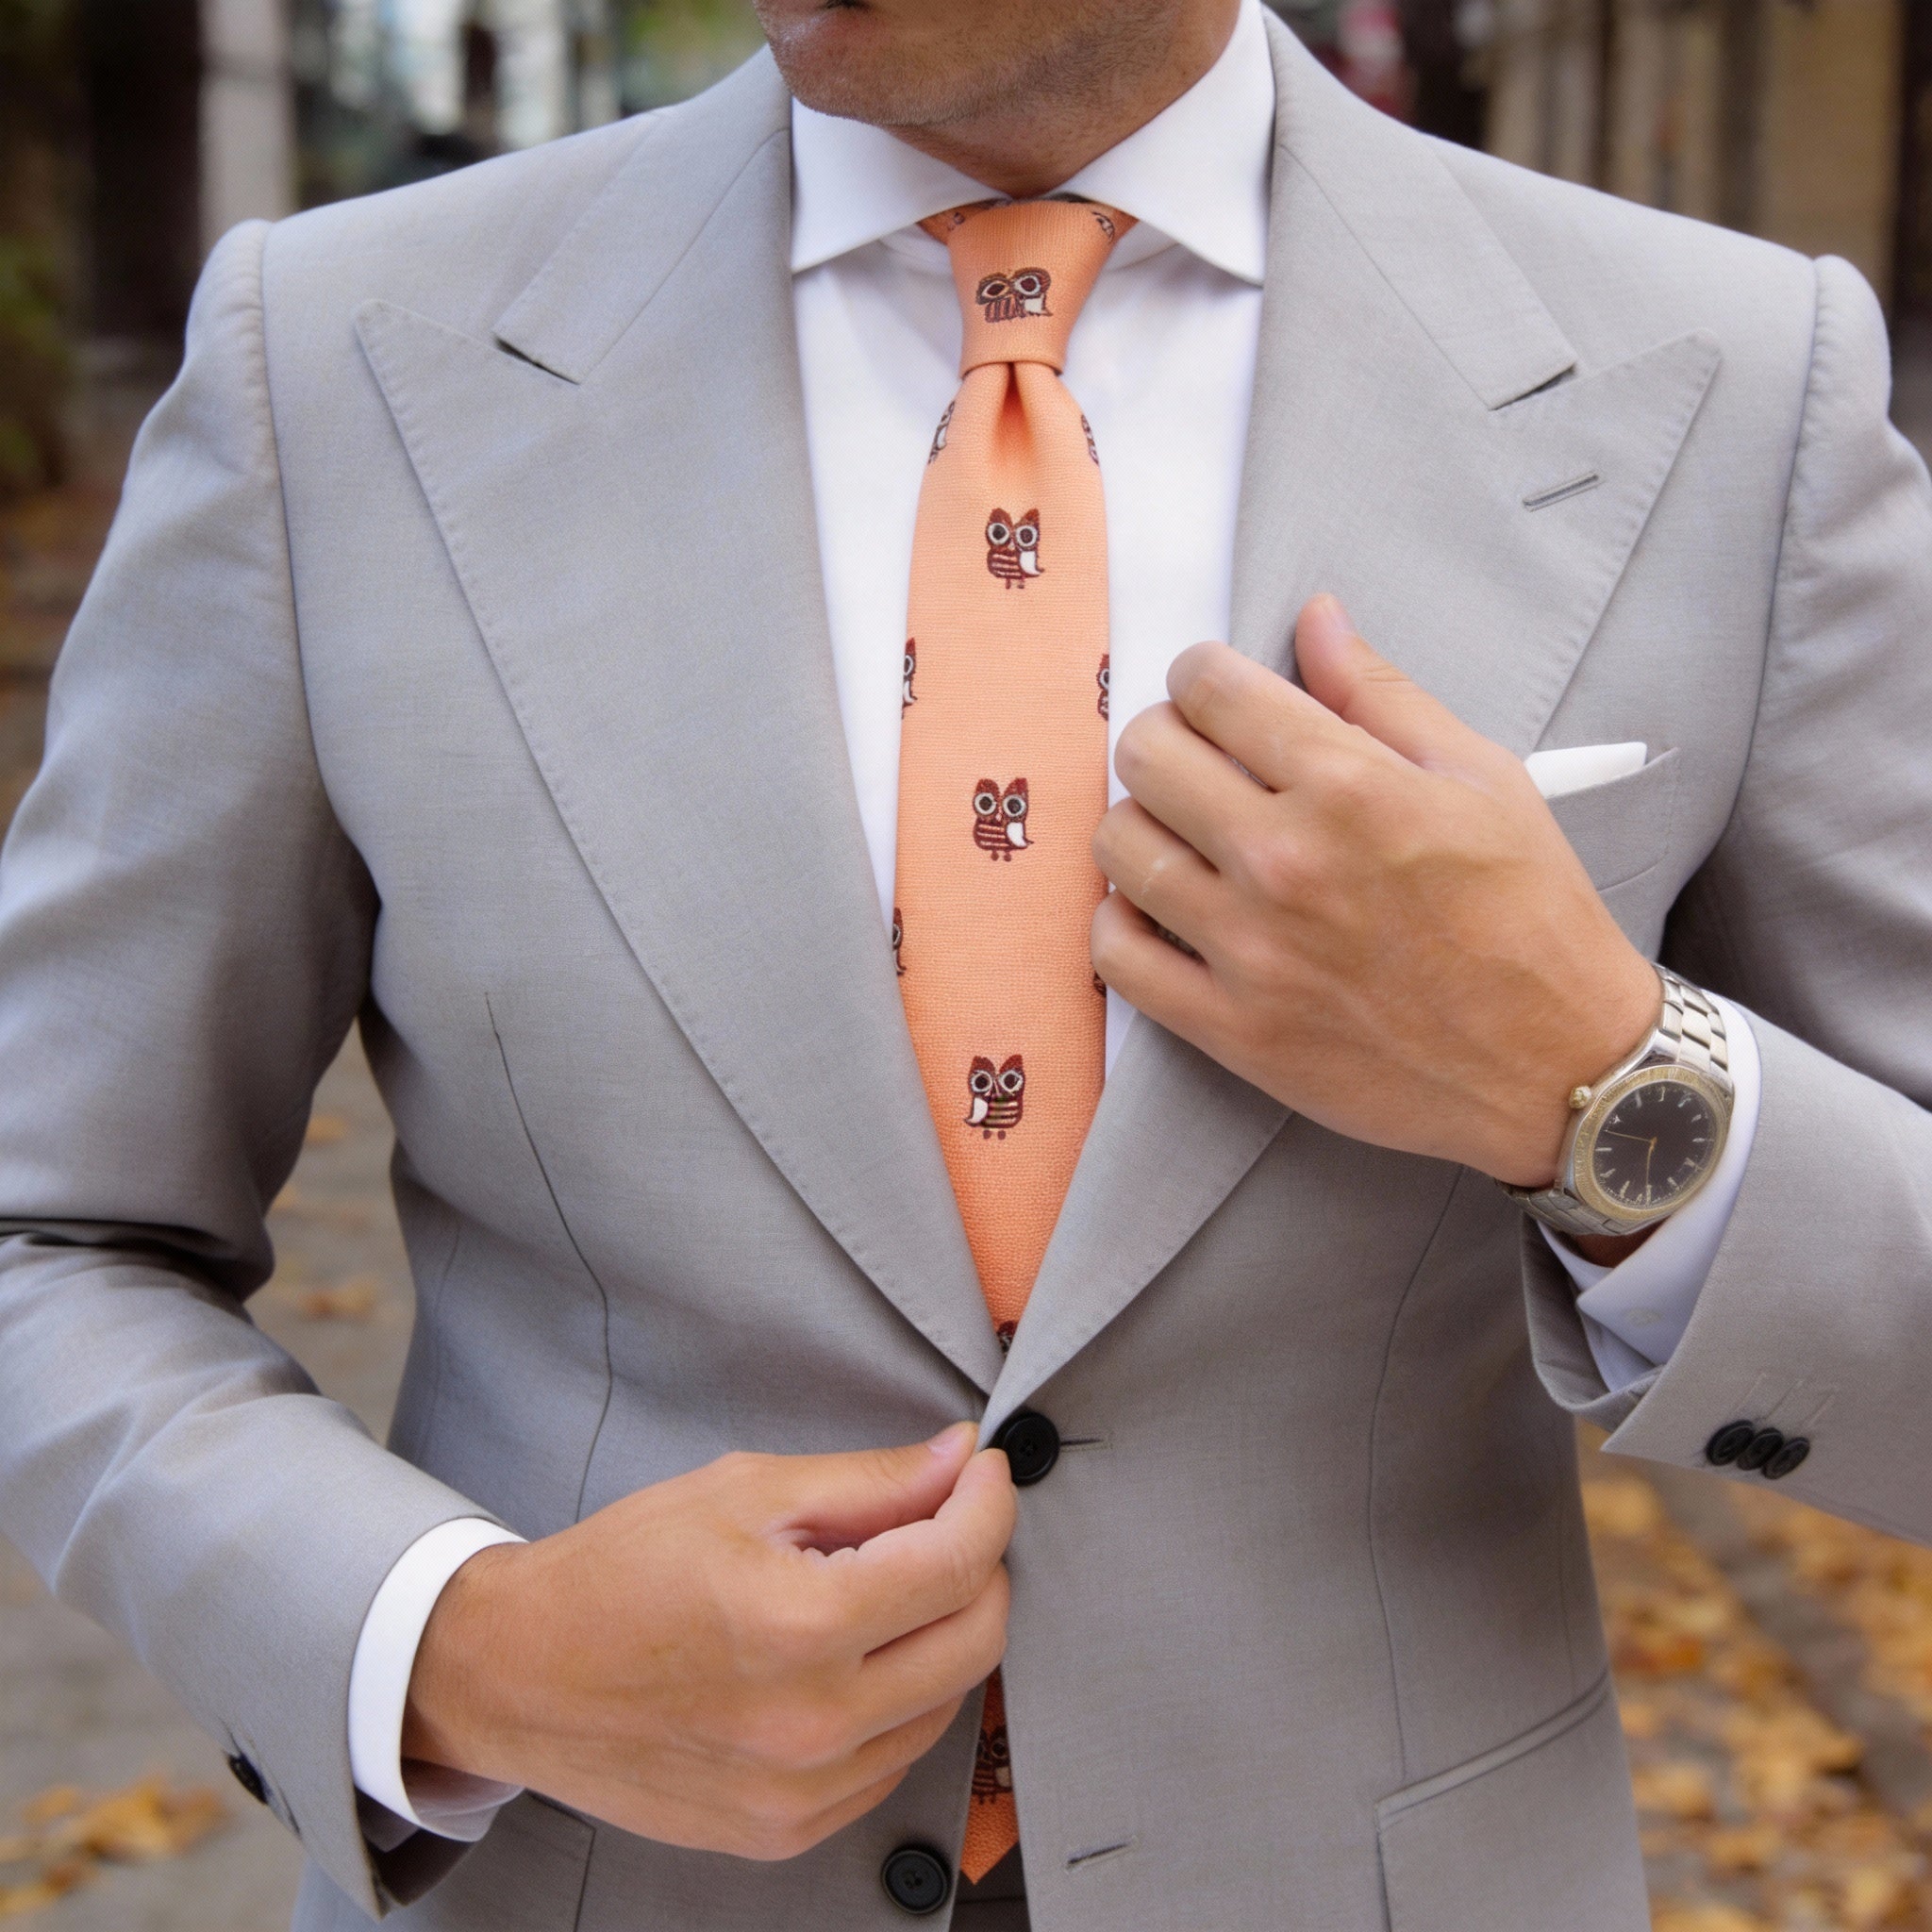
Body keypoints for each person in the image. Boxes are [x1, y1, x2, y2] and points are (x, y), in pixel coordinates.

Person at [2, 0, 1928, 1924]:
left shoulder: (1735, 391)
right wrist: (461, 1650)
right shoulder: (330, 365)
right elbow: (53, 1230)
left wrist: (1598, 1082)